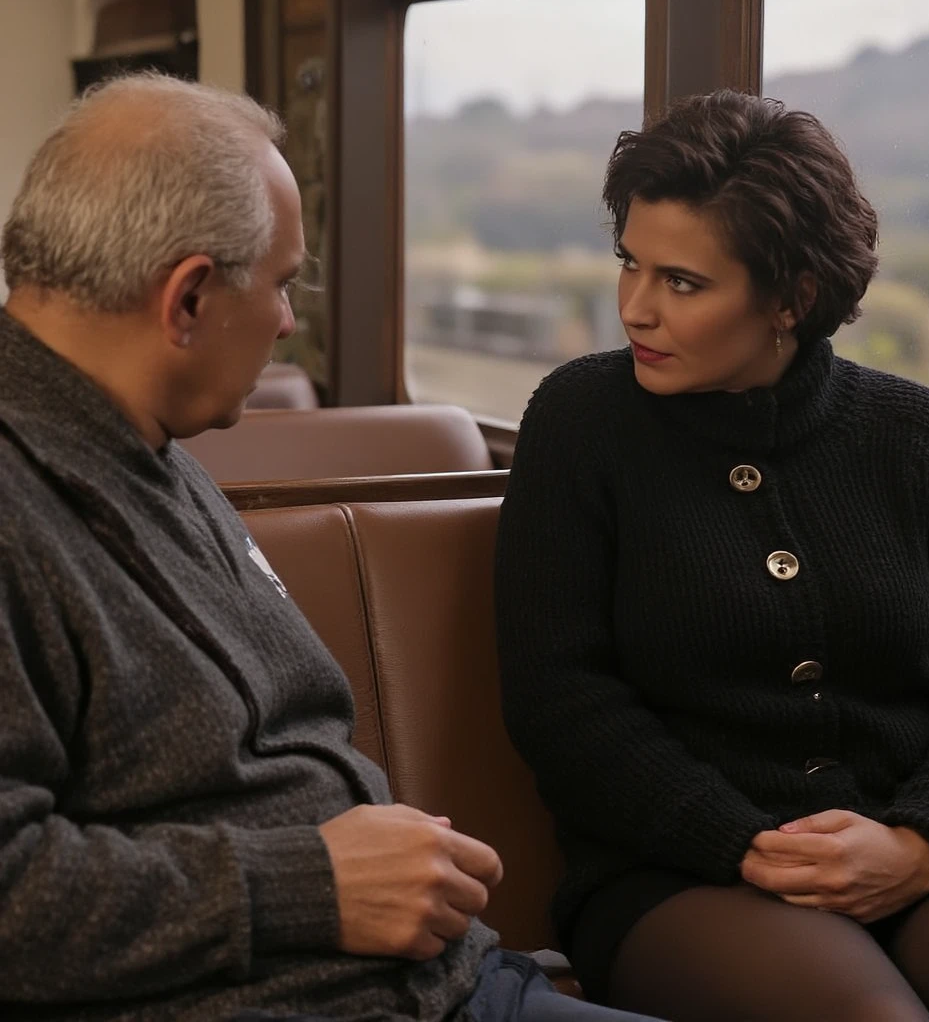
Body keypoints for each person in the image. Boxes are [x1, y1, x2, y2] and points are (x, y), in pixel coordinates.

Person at [0, 73, 666, 1022]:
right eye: (279, 284)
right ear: (187, 298)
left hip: (435, 983)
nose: (286, 320)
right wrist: (308, 883)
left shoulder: (148, 445)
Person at [495, 90, 929, 1022]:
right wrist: (747, 843)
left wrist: (926, 842)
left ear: (794, 297)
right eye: (630, 264)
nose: (635, 309)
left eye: (683, 283)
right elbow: (563, 699)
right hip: (682, 873)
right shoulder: (580, 423)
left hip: (926, 849)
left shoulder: (922, 437)